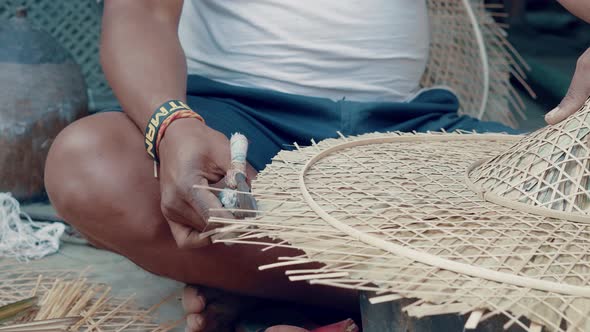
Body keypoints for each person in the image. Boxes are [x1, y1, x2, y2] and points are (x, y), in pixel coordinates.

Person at [44, 1, 589, 331]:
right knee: (90, 165)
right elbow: (140, 11)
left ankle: (267, 286)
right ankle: (426, 293)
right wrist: (172, 127)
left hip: (403, 137)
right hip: (233, 132)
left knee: (569, 204)